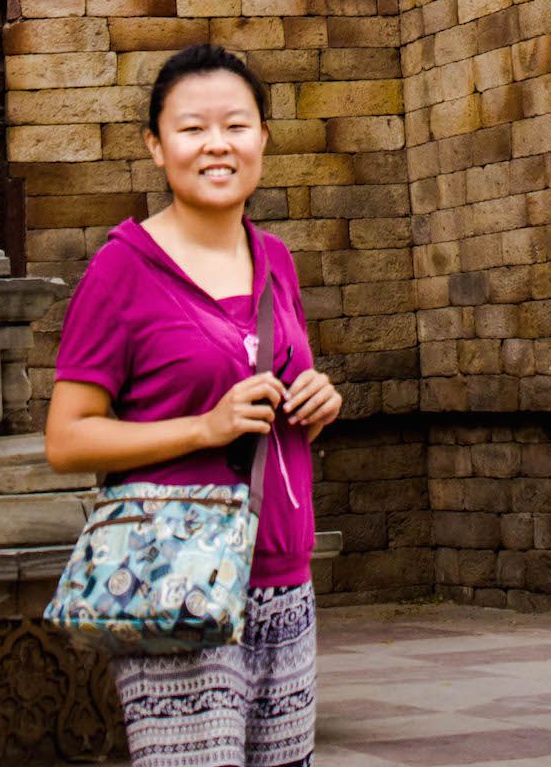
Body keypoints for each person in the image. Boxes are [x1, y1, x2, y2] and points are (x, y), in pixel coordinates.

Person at [46, 41, 344, 767]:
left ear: (264, 138)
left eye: (237, 126)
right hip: (175, 577)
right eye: (191, 128)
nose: (218, 145)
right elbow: (67, 439)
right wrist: (204, 427)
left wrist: (320, 397)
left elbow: (280, 381)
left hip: (284, 579)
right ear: (156, 146)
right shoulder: (124, 267)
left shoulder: (276, 258)